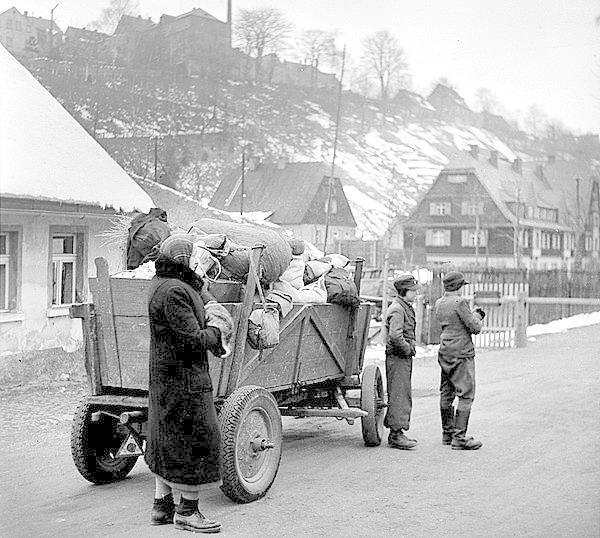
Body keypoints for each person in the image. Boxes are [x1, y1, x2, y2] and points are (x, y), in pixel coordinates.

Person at [146, 235, 229, 533]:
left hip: (166, 379)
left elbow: (193, 297)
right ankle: (188, 512)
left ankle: (162, 507)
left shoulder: (163, 284)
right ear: (183, 259)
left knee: (166, 439)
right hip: (185, 382)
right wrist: (217, 331)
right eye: (193, 257)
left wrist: (201, 290)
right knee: (197, 441)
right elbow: (194, 340)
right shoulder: (174, 293)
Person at [434, 271, 485, 450]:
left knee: (446, 393)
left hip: (445, 351)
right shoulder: (460, 303)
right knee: (466, 394)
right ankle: (460, 438)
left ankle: (447, 434)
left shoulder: (439, 303)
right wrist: (477, 316)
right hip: (461, 353)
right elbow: (474, 327)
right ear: (458, 286)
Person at [384, 273, 419, 450]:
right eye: (413, 290)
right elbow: (395, 336)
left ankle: (397, 431)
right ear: (405, 291)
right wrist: (407, 348)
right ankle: (395, 434)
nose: (415, 294)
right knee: (399, 394)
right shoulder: (398, 308)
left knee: (402, 392)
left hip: (401, 357)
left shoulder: (403, 306)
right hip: (398, 357)